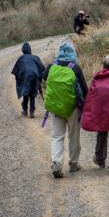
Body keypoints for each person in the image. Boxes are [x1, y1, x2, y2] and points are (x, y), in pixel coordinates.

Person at [42, 41, 88, 178]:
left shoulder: (51, 66)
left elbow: (43, 77)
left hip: (55, 107)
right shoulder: (75, 68)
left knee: (57, 136)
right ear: (73, 53)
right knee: (73, 136)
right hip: (72, 108)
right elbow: (85, 90)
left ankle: (56, 163)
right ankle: (74, 163)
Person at [11, 42, 45, 118]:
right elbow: (42, 68)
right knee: (33, 94)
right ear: (30, 50)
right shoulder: (35, 58)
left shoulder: (21, 58)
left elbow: (15, 71)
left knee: (25, 93)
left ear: (23, 50)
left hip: (25, 77)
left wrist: (19, 81)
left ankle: (25, 110)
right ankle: (32, 111)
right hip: (34, 76)